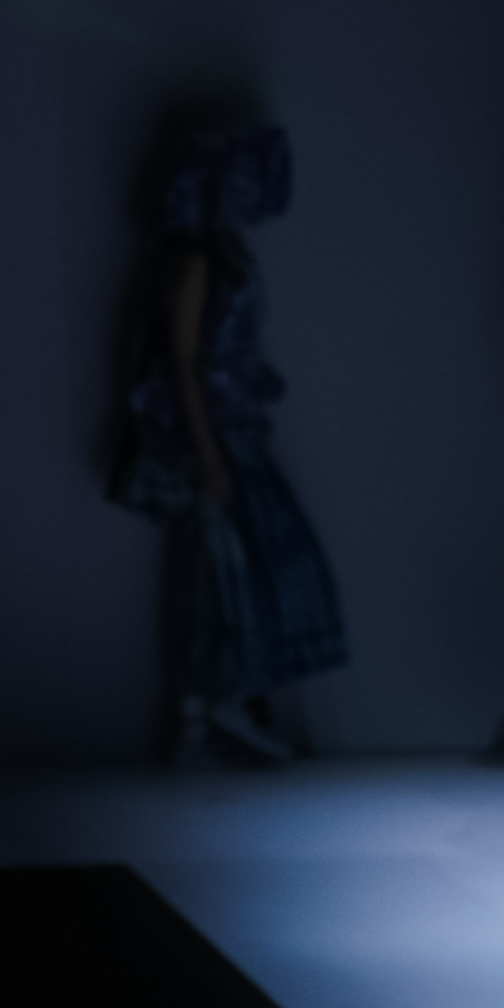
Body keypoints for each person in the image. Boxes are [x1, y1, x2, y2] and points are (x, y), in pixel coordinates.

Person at [111, 118, 348, 766]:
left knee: (226, 570)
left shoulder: (219, 254)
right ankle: (220, 708)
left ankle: (204, 719)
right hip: (215, 434)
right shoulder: (195, 261)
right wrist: (209, 454)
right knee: (227, 573)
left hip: (231, 429)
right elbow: (183, 360)